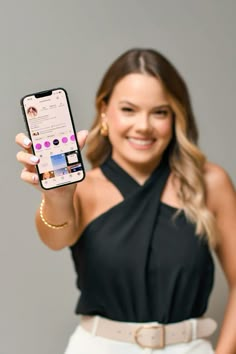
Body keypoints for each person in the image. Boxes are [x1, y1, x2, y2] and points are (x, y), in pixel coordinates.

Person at [16, 48, 236, 354]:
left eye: (160, 112)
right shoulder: (85, 188)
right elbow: (55, 237)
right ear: (104, 110)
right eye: (129, 109)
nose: (143, 126)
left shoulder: (210, 183)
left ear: (176, 117)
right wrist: (57, 195)